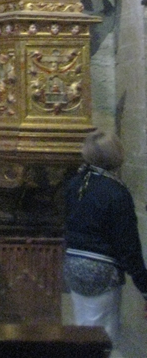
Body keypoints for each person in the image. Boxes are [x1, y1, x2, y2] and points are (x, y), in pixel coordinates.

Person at [64, 130, 147, 345]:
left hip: (73, 264)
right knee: (103, 337)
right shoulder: (116, 192)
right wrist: (144, 285)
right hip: (101, 270)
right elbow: (128, 245)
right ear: (115, 155)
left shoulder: (75, 184)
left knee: (83, 329)